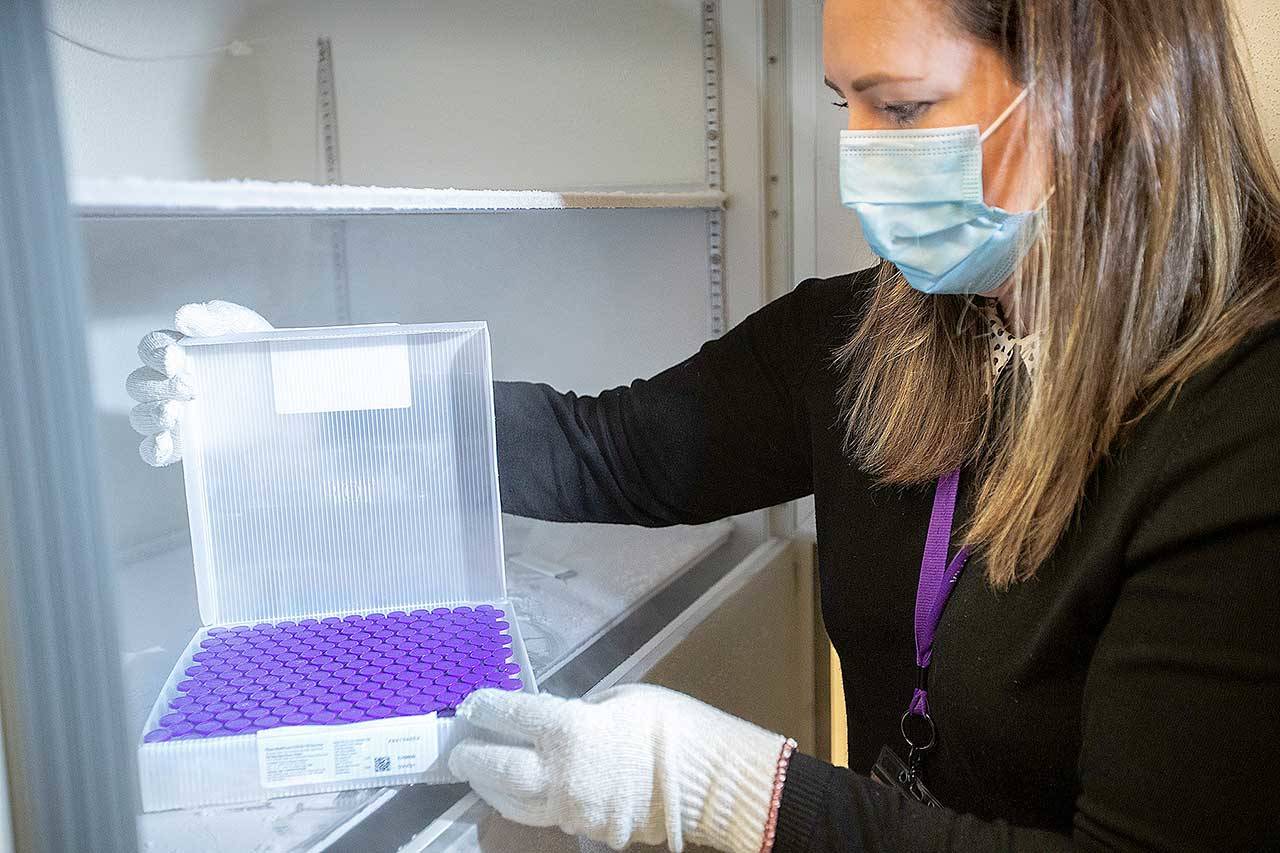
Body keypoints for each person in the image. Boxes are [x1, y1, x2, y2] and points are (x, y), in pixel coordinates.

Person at [126, 0, 1280, 849]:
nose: (862, 159)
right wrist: (292, 396)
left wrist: (720, 787)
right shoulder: (867, 336)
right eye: (846, 109)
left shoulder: (1242, 414)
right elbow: (609, 448)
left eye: (904, 107)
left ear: (1105, 87)